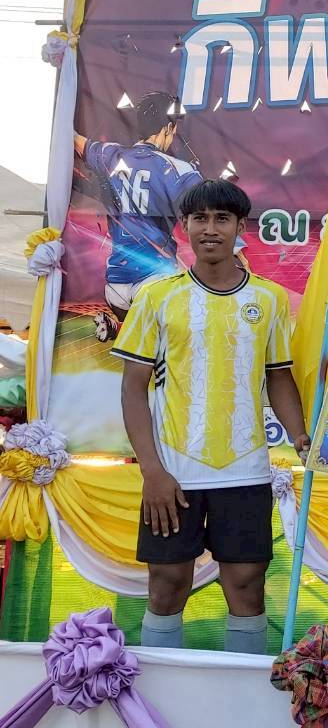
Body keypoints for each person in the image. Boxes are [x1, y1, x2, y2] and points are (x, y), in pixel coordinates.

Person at [112, 180, 310, 653]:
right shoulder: (157, 297)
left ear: (240, 227)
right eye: (200, 218)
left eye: (222, 219)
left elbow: (279, 377)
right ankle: (163, 693)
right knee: (167, 584)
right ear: (185, 226)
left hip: (245, 470)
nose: (210, 228)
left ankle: (238, 693)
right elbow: (133, 388)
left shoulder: (269, 299)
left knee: (246, 585)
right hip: (174, 472)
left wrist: (301, 436)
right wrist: (152, 471)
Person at [74, 91, 201, 342]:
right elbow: (211, 216)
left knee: (140, 349)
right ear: (168, 128)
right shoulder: (179, 170)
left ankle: (118, 327)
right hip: (157, 280)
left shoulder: (110, 154)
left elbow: (74, 140)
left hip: (115, 285)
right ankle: (123, 328)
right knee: (178, 345)